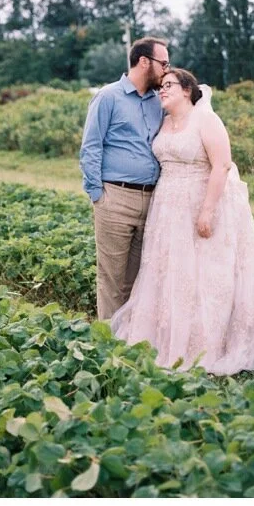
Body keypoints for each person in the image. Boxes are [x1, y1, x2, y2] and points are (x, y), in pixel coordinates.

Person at [109, 68, 254, 374]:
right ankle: (162, 340)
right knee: (167, 272)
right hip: (166, 210)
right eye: (161, 86)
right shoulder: (165, 122)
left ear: (186, 90)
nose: (162, 90)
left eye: (169, 85)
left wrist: (207, 211)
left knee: (200, 276)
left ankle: (199, 346)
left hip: (198, 205)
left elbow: (221, 166)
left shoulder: (206, 120)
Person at [80, 37, 168, 320]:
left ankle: (131, 341)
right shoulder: (108, 97)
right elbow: (91, 146)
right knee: (112, 279)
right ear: (145, 62)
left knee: (138, 280)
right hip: (115, 199)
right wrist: (98, 195)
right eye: (164, 63)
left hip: (152, 200)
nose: (167, 70)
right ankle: (110, 346)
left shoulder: (159, 102)